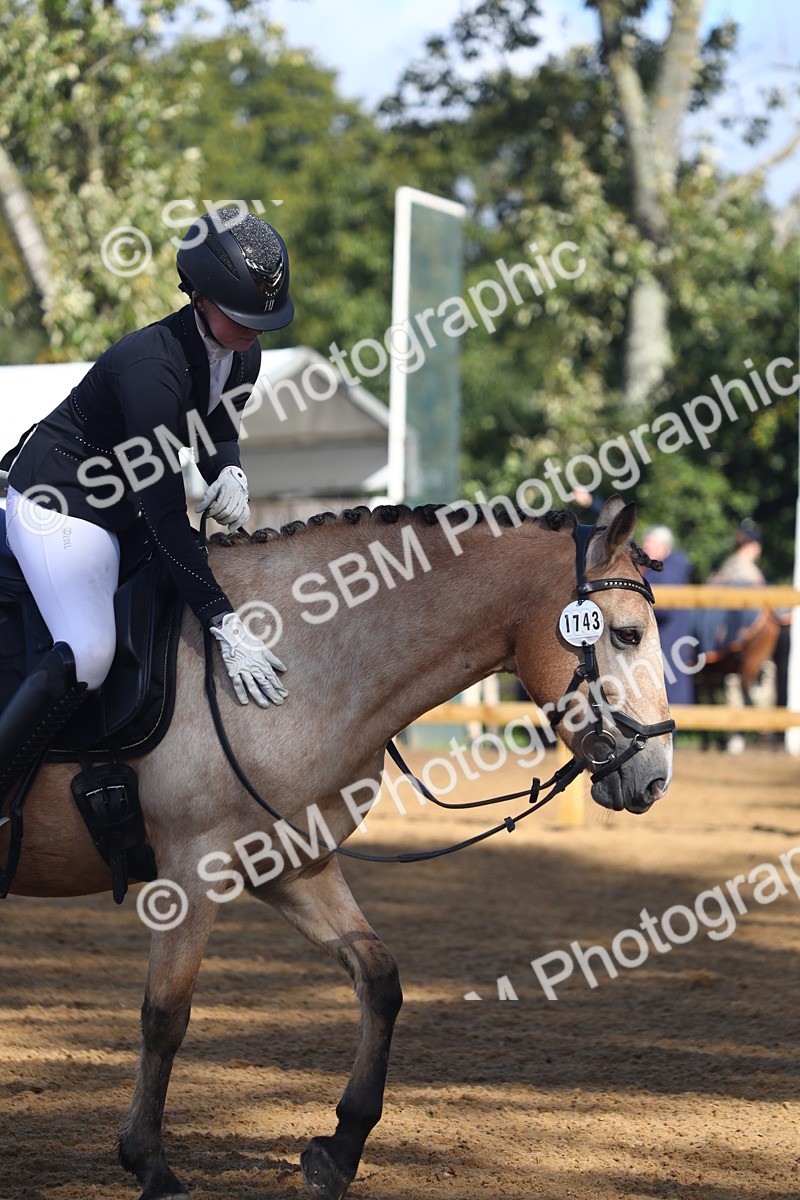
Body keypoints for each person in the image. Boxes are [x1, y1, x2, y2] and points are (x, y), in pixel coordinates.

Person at [0, 208, 293, 803]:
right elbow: (165, 517)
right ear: (200, 299)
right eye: (242, 318)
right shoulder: (149, 369)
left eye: (262, 321)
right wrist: (223, 621)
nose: (254, 331)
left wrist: (227, 468)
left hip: (123, 506)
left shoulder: (243, 351)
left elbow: (217, 425)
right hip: (61, 503)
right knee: (89, 650)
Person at [640, 525, 695, 705]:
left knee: (665, 705)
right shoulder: (670, 569)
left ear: (664, 548)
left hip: (666, 649)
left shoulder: (668, 571)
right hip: (666, 650)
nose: (646, 549)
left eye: (650, 545)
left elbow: (663, 607)